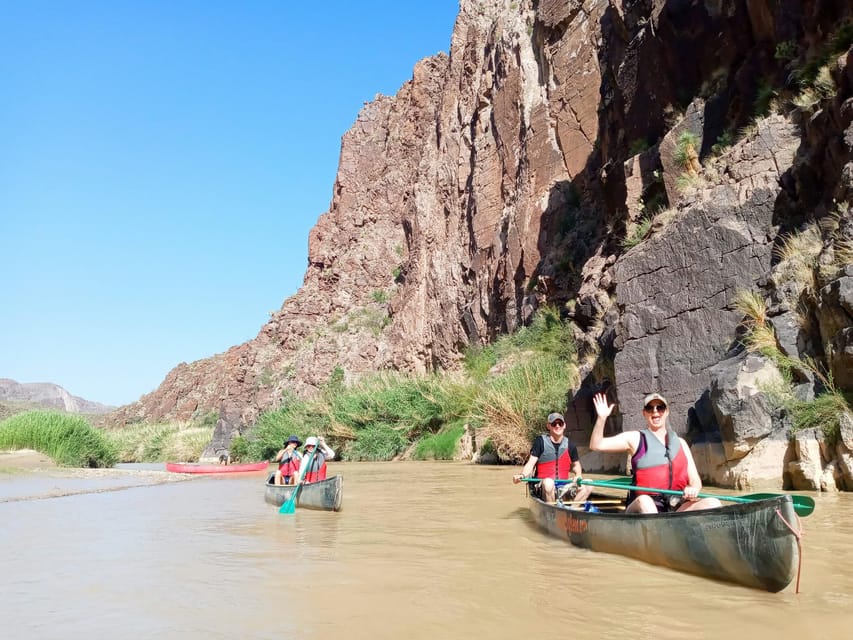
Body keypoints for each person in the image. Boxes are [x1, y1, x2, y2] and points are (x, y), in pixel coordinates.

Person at [589, 391, 722, 513]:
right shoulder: (635, 438)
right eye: (649, 408)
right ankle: (659, 536)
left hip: (676, 507)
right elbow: (596, 444)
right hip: (642, 508)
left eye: (660, 408)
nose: (655, 412)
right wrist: (602, 418)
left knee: (713, 503)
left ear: (667, 412)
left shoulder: (681, 443)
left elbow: (696, 482)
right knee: (645, 501)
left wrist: (693, 489)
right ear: (644, 413)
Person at [512, 412, 593, 504]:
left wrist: (578, 475)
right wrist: (522, 475)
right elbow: (530, 464)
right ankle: (552, 512)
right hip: (544, 486)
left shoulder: (570, 445)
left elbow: (576, 465)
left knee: (588, 483)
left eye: (560, 423)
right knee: (549, 483)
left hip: (563, 485)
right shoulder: (540, 442)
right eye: (554, 424)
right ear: (548, 426)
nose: (557, 426)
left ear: (564, 425)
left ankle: (573, 511)